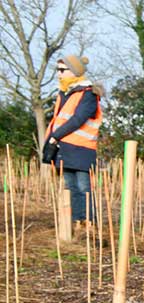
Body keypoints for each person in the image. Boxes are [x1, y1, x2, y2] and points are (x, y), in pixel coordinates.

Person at [43, 55, 103, 230]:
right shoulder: (65, 94)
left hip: (82, 149)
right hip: (65, 148)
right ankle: (78, 222)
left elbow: (78, 119)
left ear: (74, 72)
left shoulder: (88, 94)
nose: (59, 74)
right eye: (58, 70)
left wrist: (56, 136)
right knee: (70, 187)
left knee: (84, 186)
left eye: (62, 70)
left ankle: (90, 223)